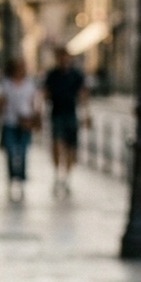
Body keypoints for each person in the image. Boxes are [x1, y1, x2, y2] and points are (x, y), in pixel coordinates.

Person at [42, 46, 88, 196]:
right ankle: (57, 174)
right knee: (56, 145)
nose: (63, 60)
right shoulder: (52, 75)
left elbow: (82, 94)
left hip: (70, 114)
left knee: (70, 148)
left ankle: (66, 178)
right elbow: (45, 93)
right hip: (56, 114)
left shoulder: (75, 75)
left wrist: (85, 114)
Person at [0, 58, 39, 202]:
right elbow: (0, 103)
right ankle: (12, 177)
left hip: (25, 123)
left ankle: (20, 180)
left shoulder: (29, 84)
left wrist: (35, 119)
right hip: (10, 123)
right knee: (11, 152)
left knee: (23, 152)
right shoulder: (6, 84)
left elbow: (34, 103)